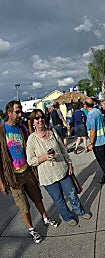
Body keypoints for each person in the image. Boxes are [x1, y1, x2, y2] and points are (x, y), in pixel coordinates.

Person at [0, 100, 59, 244]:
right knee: (24, 206)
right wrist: (1, 183)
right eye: (17, 112)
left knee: (37, 197)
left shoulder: (22, 128)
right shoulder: (2, 132)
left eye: (20, 111)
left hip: (27, 171)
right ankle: (32, 229)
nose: (20, 114)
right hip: (13, 176)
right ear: (9, 113)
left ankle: (45, 218)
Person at [26, 109, 92, 226]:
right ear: (33, 122)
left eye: (41, 117)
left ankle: (80, 211)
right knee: (59, 199)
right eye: (37, 118)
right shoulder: (32, 139)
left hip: (62, 169)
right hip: (48, 177)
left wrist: (69, 163)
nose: (40, 120)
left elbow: (63, 149)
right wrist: (44, 157)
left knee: (71, 193)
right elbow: (30, 161)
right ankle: (67, 217)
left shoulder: (52, 132)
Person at [84, 98, 105, 184]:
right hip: (102, 138)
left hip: (97, 141)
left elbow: (92, 130)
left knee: (101, 159)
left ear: (85, 105)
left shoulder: (91, 114)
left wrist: (90, 143)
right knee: (104, 157)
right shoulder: (97, 111)